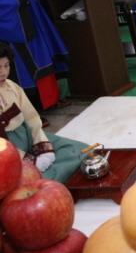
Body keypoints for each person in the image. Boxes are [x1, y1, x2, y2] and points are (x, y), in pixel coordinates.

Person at [0, 43, 86, 182]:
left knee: (76, 149)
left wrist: (41, 146)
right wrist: (27, 160)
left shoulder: (13, 87)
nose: (3, 72)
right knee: (20, 179)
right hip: (6, 150)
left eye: (6, 65)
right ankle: (48, 180)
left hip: (26, 135)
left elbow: (31, 119)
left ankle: (51, 176)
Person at [0, 0, 67, 110]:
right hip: (10, 20)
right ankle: (29, 109)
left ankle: (49, 101)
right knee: (20, 63)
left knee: (40, 57)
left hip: (27, 13)